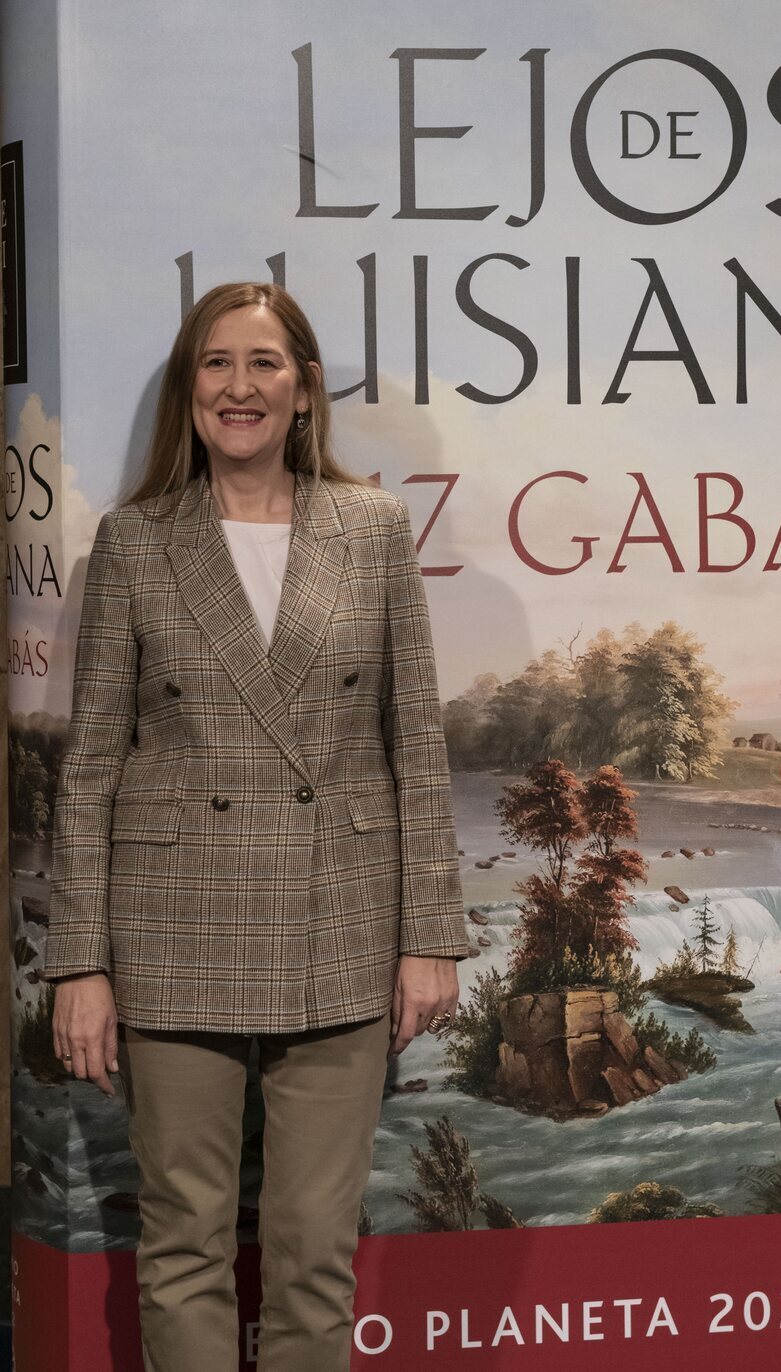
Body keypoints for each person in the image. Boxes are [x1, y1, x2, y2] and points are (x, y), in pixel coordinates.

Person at [43, 282, 470, 1371]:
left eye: (265, 363)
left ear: (304, 388)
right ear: (191, 390)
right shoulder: (135, 540)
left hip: (338, 923)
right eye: (217, 363)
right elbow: (90, 766)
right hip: (172, 932)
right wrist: (80, 961)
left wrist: (429, 936)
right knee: (181, 1245)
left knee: (314, 1252)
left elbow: (414, 745)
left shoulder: (370, 528)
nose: (240, 386)